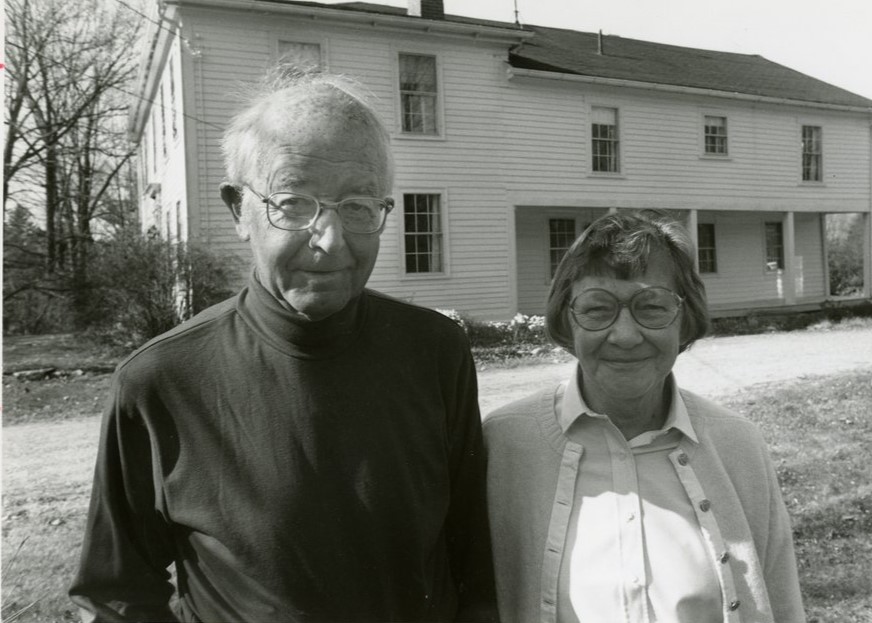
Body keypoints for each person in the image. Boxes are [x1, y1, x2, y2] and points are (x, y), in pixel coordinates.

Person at [69, 68, 497, 622]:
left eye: (359, 206)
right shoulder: (161, 380)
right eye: (294, 203)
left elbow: (474, 555)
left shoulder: (435, 350)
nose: (331, 239)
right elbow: (115, 593)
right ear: (238, 210)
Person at [483, 210, 805, 623]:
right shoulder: (506, 442)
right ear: (567, 319)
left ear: (685, 319)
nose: (625, 334)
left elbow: (781, 605)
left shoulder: (737, 445)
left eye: (651, 306)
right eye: (597, 309)